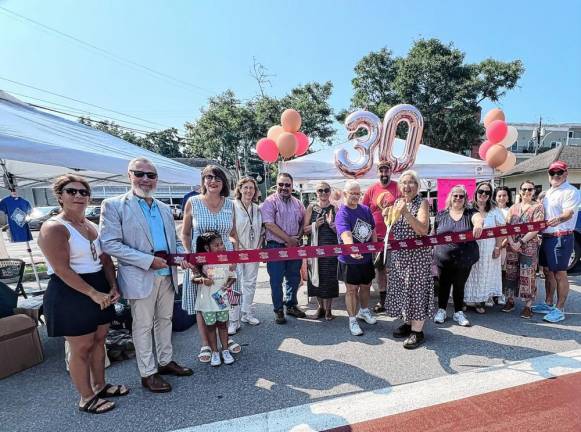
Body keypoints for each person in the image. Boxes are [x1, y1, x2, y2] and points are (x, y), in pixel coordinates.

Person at [100, 157, 193, 394]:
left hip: (167, 275)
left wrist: (183, 256)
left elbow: (173, 241)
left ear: (156, 179)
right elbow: (109, 244)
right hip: (140, 277)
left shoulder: (163, 208)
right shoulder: (114, 205)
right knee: (142, 327)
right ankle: (148, 373)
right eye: (139, 174)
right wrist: (147, 260)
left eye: (151, 175)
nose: (145, 179)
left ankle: (165, 361)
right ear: (129, 175)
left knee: (165, 321)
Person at [39, 174, 127, 414]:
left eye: (83, 192)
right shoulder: (54, 227)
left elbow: (105, 258)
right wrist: (92, 293)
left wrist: (112, 286)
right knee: (81, 348)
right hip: (71, 291)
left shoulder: (90, 225)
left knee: (100, 341)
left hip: (98, 285)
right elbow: (61, 269)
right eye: (71, 191)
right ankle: (85, 397)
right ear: (60, 196)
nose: (78, 196)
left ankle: (100, 386)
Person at [181, 165, 242, 362]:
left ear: (223, 182)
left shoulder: (230, 204)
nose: (212, 181)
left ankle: (224, 341)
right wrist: (190, 257)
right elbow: (186, 233)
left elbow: (232, 235)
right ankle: (206, 344)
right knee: (203, 303)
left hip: (225, 261)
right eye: (208, 177)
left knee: (223, 297)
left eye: (217, 178)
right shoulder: (193, 202)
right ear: (203, 181)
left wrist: (234, 256)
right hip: (201, 262)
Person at [384, 171, 433, 349]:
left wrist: (405, 213)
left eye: (411, 182)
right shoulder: (398, 202)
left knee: (417, 292)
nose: (407, 186)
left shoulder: (423, 203)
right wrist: (387, 216)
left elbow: (422, 230)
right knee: (405, 291)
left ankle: (417, 332)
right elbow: (393, 228)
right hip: (400, 258)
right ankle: (408, 323)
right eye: (404, 182)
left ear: (417, 186)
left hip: (417, 258)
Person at [533, 161, 581, 322]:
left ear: (566, 174)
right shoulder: (548, 193)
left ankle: (560, 309)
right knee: (547, 271)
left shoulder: (570, 191)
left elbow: (568, 213)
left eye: (559, 172)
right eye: (552, 173)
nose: (556, 176)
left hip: (561, 236)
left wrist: (559, 219)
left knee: (560, 273)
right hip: (546, 237)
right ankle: (548, 303)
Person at [433, 185, 483, 327]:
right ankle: (441, 310)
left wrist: (478, 224)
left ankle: (458, 312)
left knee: (459, 285)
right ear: (451, 196)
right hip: (443, 259)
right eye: (455, 195)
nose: (458, 198)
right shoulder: (441, 215)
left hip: (464, 258)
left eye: (461, 196)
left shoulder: (470, 213)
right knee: (443, 285)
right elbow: (434, 233)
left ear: (465, 199)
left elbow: (478, 218)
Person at [261, 172, 306, 324]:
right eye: (281, 184)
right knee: (276, 280)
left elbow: (303, 223)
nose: (284, 188)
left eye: (287, 185)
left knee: (294, 278)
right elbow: (269, 224)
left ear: (292, 186)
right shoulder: (270, 202)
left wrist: (297, 239)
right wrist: (288, 240)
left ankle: (291, 305)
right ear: (276, 185)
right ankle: (278, 310)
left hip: (294, 246)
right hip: (275, 247)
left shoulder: (298, 203)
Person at [335, 180, 378, 336]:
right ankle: (352, 320)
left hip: (366, 258)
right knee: (352, 290)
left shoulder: (365, 210)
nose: (355, 196)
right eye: (351, 193)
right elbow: (345, 234)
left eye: (357, 193)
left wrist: (376, 249)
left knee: (366, 286)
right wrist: (351, 249)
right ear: (345, 193)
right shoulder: (342, 213)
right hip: (349, 260)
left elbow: (373, 230)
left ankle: (364, 311)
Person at [193, 231, 237, 367]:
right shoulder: (201, 261)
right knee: (211, 328)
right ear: (207, 248)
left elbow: (232, 276)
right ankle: (214, 352)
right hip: (207, 303)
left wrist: (227, 285)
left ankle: (225, 350)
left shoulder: (225, 259)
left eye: (221, 244)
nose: (221, 247)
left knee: (223, 326)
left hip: (221, 300)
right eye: (216, 245)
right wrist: (203, 280)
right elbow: (193, 278)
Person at [503, 181, 545, 318]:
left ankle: (528, 305)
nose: (527, 192)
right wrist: (511, 241)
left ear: (534, 191)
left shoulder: (538, 207)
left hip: (528, 246)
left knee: (528, 275)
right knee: (510, 273)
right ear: (520, 191)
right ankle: (510, 300)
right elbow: (507, 226)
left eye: (530, 189)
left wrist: (520, 241)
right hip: (512, 246)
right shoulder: (513, 208)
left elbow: (536, 227)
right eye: (524, 189)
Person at [361, 161, 398, 313]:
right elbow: (363, 211)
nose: (384, 173)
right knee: (380, 270)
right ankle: (383, 301)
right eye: (381, 171)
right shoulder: (371, 190)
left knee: (395, 270)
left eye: (386, 170)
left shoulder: (398, 187)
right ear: (378, 173)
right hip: (376, 238)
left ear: (391, 172)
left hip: (396, 238)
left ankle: (395, 300)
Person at [464, 182, 504, 313]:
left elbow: (500, 231)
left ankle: (480, 302)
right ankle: (464, 300)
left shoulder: (494, 210)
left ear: (490, 195)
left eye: (487, 192)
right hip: (470, 247)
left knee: (484, 274)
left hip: (488, 248)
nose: (483, 194)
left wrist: (498, 247)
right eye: (481, 191)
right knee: (468, 274)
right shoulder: (468, 207)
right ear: (476, 192)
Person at [303, 181, 339, 320]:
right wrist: (314, 225)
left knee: (330, 279)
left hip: (330, 249)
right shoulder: (311, 207)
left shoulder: (334, 208)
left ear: (330, 192)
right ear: (316, 192)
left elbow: (340, 231)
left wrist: (332, 225)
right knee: (315, 278)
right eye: (320, 190)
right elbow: (304, 230)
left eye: (326, 190)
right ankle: (320, 308)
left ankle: (329, 309)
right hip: (315, 248)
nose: (323, 193)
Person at [233, 177, 263, 326]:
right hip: (237, 251)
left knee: (250, 283)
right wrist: (236, 247)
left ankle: (247, 313)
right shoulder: (232, 206)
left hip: (253, 250)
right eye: (246, 187)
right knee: (234, 284)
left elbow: (261, 230)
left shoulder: (257, 208)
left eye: (251, 188)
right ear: (239, 189)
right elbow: (230, 230)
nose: (249, 191)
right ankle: (233, 319)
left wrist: (258, 246)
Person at [494, 186, 513, 305]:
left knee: (503, 272)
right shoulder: (491, 210)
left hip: (506, 246)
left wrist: (503, 244)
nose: (501, 198)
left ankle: (501, 294)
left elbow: (511, 230)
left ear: (508, 197)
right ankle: (491, 294)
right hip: (492, 245)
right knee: (492, 270)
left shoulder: (511, 211)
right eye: (499, 195)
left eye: (504, 195)